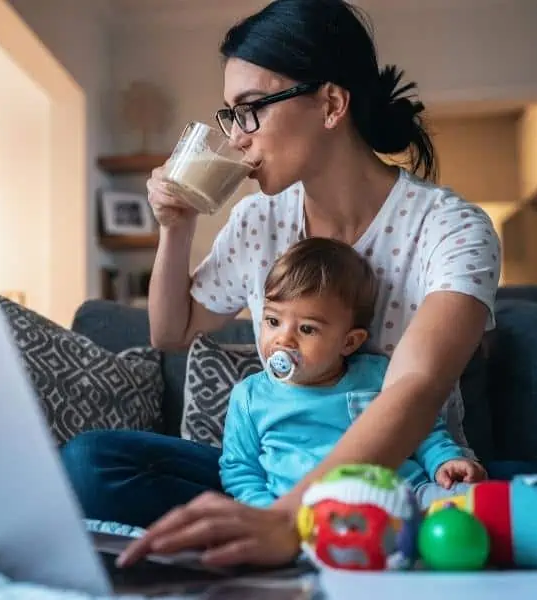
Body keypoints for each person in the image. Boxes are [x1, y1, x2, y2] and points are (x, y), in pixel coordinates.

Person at [60, 0, 511, 569]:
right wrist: (176, 228)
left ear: (330, 103)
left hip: (403, 476)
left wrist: (290, 518)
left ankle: (298, 534)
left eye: (251, 110)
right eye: (230, 115)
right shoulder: (256, 221)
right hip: (275, 479)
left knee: (488, 508)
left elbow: (414, 388)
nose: (239, 137)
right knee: (91, 462)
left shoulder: (451, 228)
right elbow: (169, 331)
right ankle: (274, 533)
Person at [219, 237, 487, 512]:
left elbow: (420, 428)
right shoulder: (250, 397)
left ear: (349, 342)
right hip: (308, 516)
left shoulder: (378, 374)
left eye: (307, 329)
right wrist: (268, 516)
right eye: (273, 321)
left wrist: (444, 460)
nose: (283, 339)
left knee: (476, 503)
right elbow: (240, 471)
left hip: (405, 496)